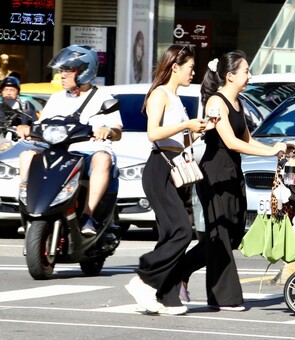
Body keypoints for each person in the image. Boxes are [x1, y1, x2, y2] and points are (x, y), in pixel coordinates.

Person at [181, 50, 292, 312]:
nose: (249, 75)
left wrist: (278, 147)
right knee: (219, 234)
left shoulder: (239, 102)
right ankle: (224, 297)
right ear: (230, 76)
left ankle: (177, 272)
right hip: (214, 173)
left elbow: (248, 139)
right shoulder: (216, 103)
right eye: (245, 71)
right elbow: (231, 142)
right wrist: (271, 151)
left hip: (232, 172)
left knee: (229, 236)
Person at [124, 44, 207, 316]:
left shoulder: (176, 97)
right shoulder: (160, 94)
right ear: (175, 67)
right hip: (158, 168)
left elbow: (181, 141)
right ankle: (143, 279)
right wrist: (186, 125)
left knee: (169, 234)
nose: (193, 72)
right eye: (191, 67)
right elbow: (153, 133)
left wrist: (200, 129)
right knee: (182, 231)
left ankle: (167, 298)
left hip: (173, 168)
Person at [16, 45, 123, 236]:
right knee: (27, 155)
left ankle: (87, 216)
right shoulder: (56, 98)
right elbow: (41, 125)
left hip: (87, 153)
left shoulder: (102, 97)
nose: (61, 76)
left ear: (83, 72)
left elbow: (117, 131)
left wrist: (107, 130)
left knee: (103, 158)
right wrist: (27, 128)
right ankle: (28, 210)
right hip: (58, 152)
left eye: (67, 71)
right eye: (61, 71)